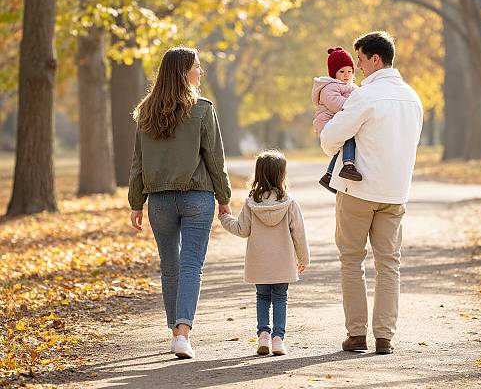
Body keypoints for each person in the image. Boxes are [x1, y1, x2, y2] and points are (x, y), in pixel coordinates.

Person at [320, 31, 423, 355]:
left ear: (375, 59)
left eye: (361, 60)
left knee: (352, 260)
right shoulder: (413, 98)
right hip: (395, 193)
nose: (358, 68)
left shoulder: (365, 96)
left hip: (358, 190)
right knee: (389, 263)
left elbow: (330, 138)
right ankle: (384, 337)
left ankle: (357, 335)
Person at [128, 46, 231, 360]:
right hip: (197, 196)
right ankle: (183, 335)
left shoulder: (146, 111)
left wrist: (136, 201)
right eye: (197, 67)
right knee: (190, 267)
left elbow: (138, 162)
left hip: (159, 201)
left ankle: (177, 334)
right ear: (183, 71)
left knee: (169, 268)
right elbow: (215, 158)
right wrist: (224, 198)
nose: (200, 72)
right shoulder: (202, 109)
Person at [219, 150, 310, 356]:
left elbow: (242, 230)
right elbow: (299, 234)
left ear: (258, 174)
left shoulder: (252, 202)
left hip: (259, 262)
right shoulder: (289, 203)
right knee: (280, 297)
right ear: (281, 175)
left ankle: (263, 335)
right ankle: (278, 339)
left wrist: (225, 218)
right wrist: (304, 259)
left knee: (262, 297)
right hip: (283, 262)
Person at [312, 47, 362, 194]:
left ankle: (329, 175)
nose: (346, 75)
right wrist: (356, 104)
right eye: (342, 72)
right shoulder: (329, 87)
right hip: (327, 122)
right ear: (334, 73)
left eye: (349, 71)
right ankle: (348, 165)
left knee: (343, 143)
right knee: (348, 135)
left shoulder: (352, 87)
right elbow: (337, 104)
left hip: (337, 120)